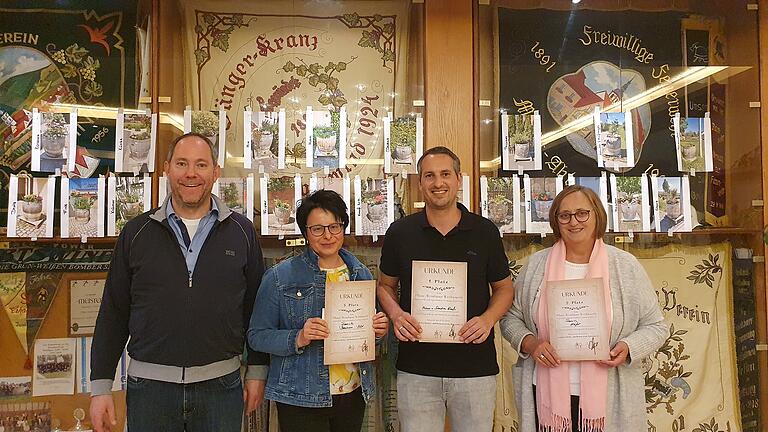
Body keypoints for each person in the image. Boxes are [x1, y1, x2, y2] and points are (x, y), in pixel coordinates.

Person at [89, 133, 268, 432]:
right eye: (182, 163)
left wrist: (257, 371)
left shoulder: (242, 232)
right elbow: (114, 312)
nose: (191, 174)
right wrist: (100, 387)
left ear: (216, 172)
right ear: (167, 168)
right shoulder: (136, 233)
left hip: (221, 388)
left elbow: (255, 310)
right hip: (150, 389)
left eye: (201, 164)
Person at [500, 185, 669, 432]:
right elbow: (510, 318)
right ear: (555, 221)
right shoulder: (537, 265)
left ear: (597, 215)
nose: (573, 222)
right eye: (564, 215)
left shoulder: (625, 266)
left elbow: (656, 326)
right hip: (546, 396)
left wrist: (628, 347)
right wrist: (531, 343)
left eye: (582, 213)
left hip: (609, 395)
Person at [376, 146, 515, 432]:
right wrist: (396, 315)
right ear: (420, 182)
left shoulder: (485, 231)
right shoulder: (400, 232)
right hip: (416, 368)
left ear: (458, 179)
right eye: (429, 176)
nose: (438, 183)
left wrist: (488, 320)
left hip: (475, 368)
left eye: (445, 174)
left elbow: (504, 289)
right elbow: (385, 286)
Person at [248, 189, 389, 432]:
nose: (328, 236)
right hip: (300, 395)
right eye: (317, 229)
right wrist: (299, 337)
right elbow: (257, 335)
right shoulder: (280, 277)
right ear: (305, 232)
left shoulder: (360, 274)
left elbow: (368, 341)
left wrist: (377, 331)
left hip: (352, 393)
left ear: (343, 227)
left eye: (334, 226)